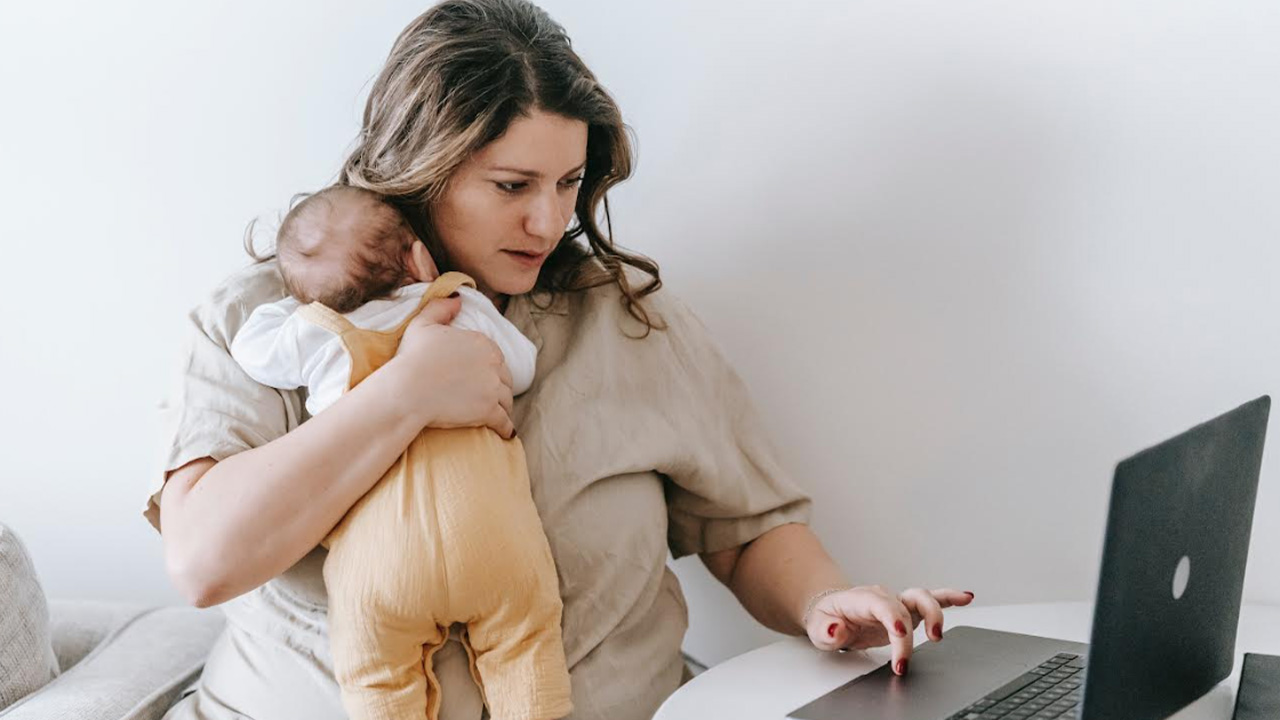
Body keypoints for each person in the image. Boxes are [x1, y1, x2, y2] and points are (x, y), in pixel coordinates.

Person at [145, 1, 975, 718]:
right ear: (419, 169)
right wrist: (406, 394)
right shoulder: (268, 322)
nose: (548, 222)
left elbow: (744, 527)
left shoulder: (627, 322)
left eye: (569, 182)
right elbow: (206, 560)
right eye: (512, 186)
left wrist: (824, 603)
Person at [228, 185, 571, 720]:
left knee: (377, 677)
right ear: (418, 255)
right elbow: (520, 366)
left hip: (381, 565)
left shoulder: (317, 333)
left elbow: (251, 350)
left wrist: (302, 304)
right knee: (525, 645)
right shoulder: (456, 304)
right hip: (491, 540)